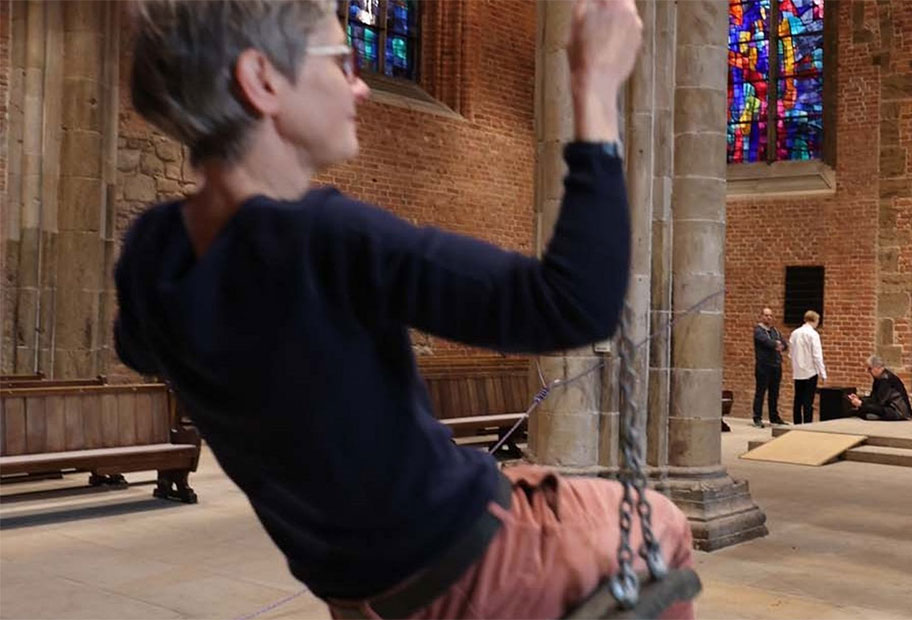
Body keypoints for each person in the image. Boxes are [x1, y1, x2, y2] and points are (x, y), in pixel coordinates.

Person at [117, 1, 695, 618]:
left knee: (531, 481)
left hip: (354, 586)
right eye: (343, 60)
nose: (361, 86)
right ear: (261, 80)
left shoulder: (153, 251)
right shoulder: (322, 240)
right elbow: (573, 305)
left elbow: (139, 347)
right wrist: (596, 87)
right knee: (662, 522)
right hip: (468, 563)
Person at [788, 310, 826, 424]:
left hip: (798, 372)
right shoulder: (813, 334)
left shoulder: (794, 333)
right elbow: (817, 355)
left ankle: (797, 423)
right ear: (814, 320)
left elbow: (791, 353)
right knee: (808, 401)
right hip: (810, 372)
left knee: (798, 399)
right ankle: (808, 424)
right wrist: (822, 372)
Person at [847, 355, 912, 421]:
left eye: (870, 368)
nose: (869, 371)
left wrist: (861, 404)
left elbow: (879, 403)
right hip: (887, 408)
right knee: (862, 411)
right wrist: (860, 399)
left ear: (877, 367)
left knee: (868, 414)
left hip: (897, 411)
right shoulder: (878, 379)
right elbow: (873, 397)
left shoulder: (886, 380)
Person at [752, 307, 788, 427]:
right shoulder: (758, 330)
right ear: (761, 316)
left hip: (776, 365)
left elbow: (784, 343)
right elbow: (766, 342)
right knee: (760, 392)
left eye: (770, 315)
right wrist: (775, 344)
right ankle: (757, 417)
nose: (768, 317)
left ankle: (774, 417)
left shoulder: (775, 331)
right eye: (766, 315)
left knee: (774, 393)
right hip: (763, 365)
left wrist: (779, 344)